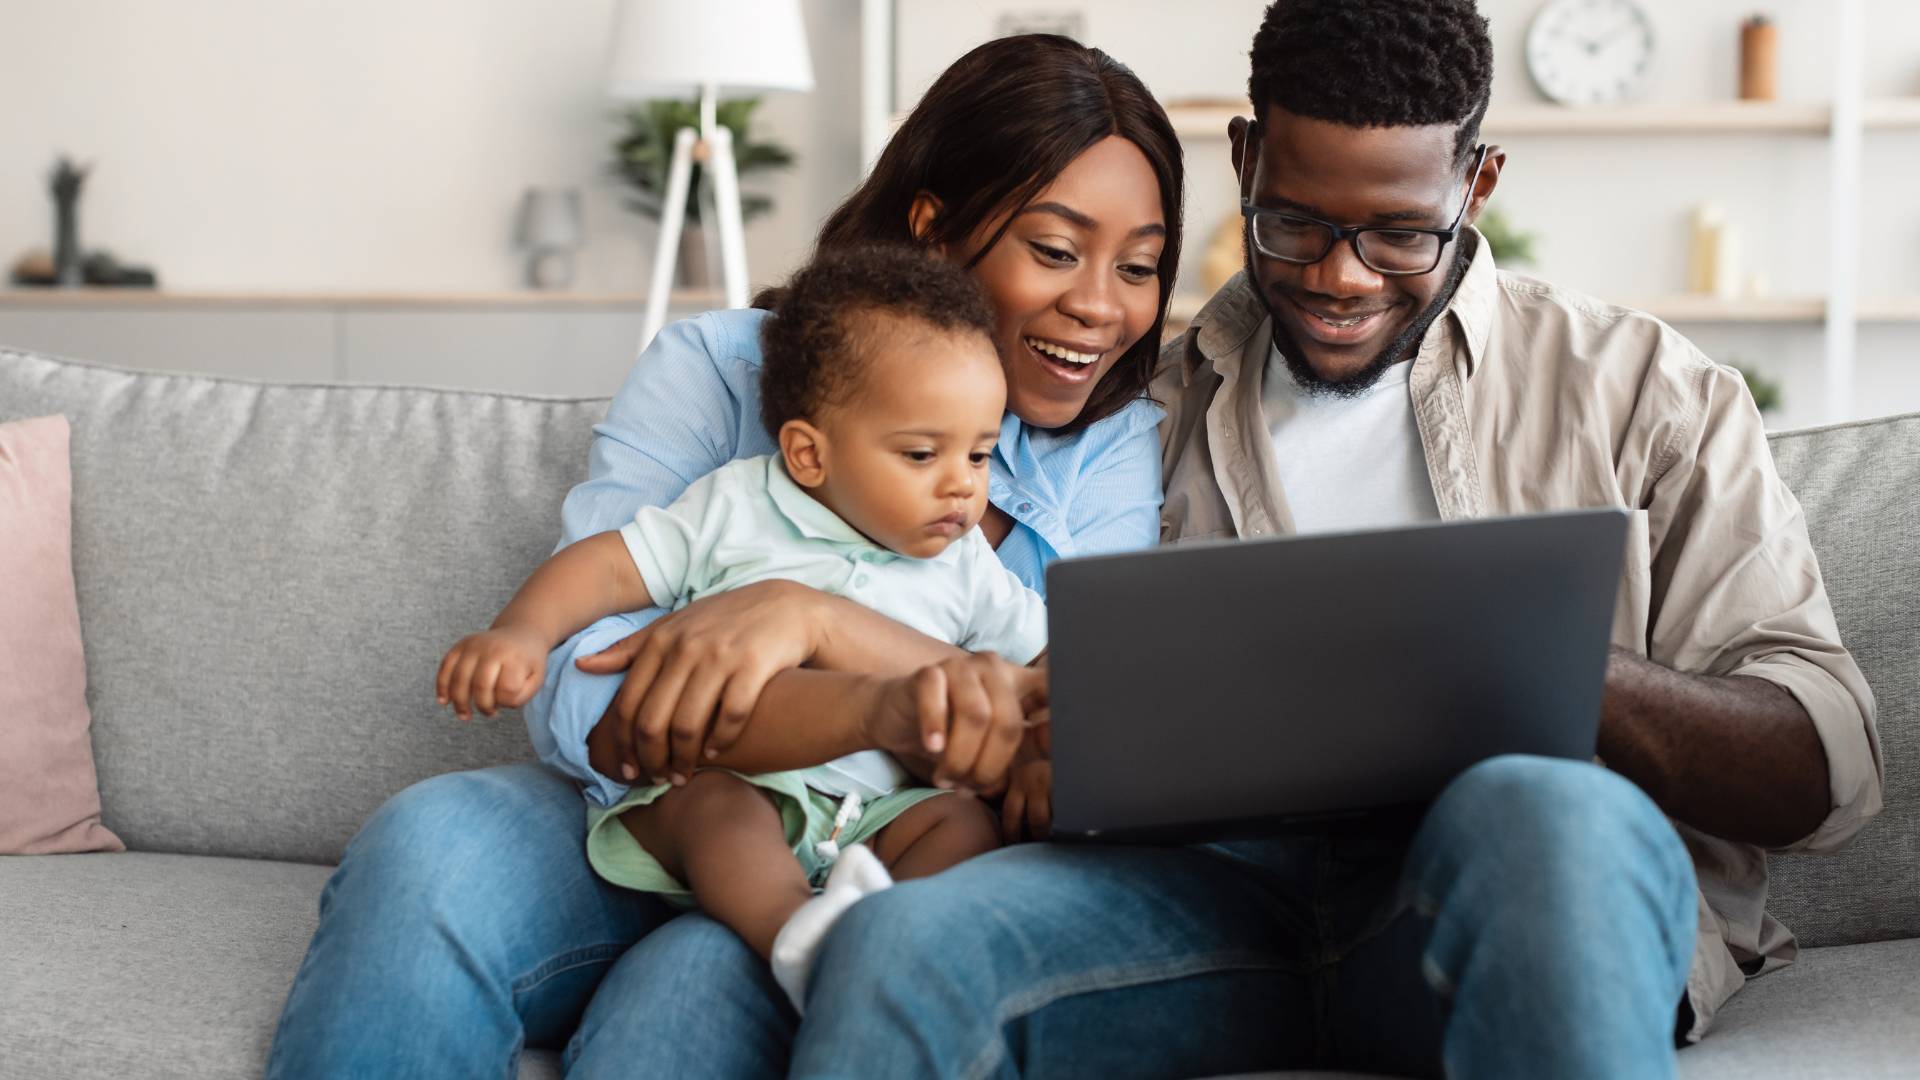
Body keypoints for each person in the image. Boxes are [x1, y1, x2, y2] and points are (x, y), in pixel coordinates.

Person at [788, 2, 1881, 1078]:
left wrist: (1561, 677)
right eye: (1297, 223)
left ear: (1478, 182)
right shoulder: (1136, 414)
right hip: (1205, 905)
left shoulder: (1646, 392)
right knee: (900, 946)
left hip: (1502, 890)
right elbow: (965, 625)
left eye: (1401, 233)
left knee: (1545, 810)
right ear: (1247, 158)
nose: (1339, 277)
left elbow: (1823, 767)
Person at [267, 32, 1181, 1078]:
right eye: (1056, 250)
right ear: (936, 229)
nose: (1102, 305)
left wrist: (816, 621)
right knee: (427, 846)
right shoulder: (719, 371)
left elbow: (1068, 733)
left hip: (886, 856)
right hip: (661, 814)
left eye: (1141, 266)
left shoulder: (1113, 450)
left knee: (697, 978)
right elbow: (592, 691)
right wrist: (898, 702)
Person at [433, 246, 1053, 1009]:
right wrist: (520, 633)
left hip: (878, 816)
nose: (962, 483)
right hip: (741, 782)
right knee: (715, 808)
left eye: (981, 453)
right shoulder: (740, 507)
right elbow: (611, 565)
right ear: (807, 453)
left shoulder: (965, 563)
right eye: (923, 454)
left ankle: (879, 940)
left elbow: (1050, 657)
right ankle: (797, 937)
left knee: (960, 824)